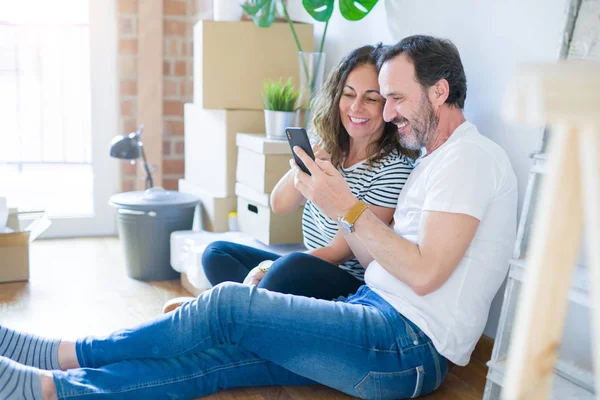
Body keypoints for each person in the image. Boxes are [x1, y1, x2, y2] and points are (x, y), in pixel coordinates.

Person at [0, 35, 517, 400]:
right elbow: (377, 253)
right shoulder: (435, 161)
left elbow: (426, 274)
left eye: (396, 98)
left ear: (440, 91)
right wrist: (340, 204)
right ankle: (46, 389)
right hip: (376, 314)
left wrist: (347, 208)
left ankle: (64, 354)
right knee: (219, 358)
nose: (386, 113)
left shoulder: (470, 159)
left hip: (404, 345)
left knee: (227, 309)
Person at [201, 44, 416, 301]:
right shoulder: (331, 147)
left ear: (388, 105)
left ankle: (237, 309)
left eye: (371, 99)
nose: (355, 108)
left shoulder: (394, 170)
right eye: (348, 95)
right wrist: (308, 162)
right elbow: (279, 204)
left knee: (288, 267)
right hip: (304, 267)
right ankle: (248, 309)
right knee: (216, 253)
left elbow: (338, 253)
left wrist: (268, 268)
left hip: (346, 281)